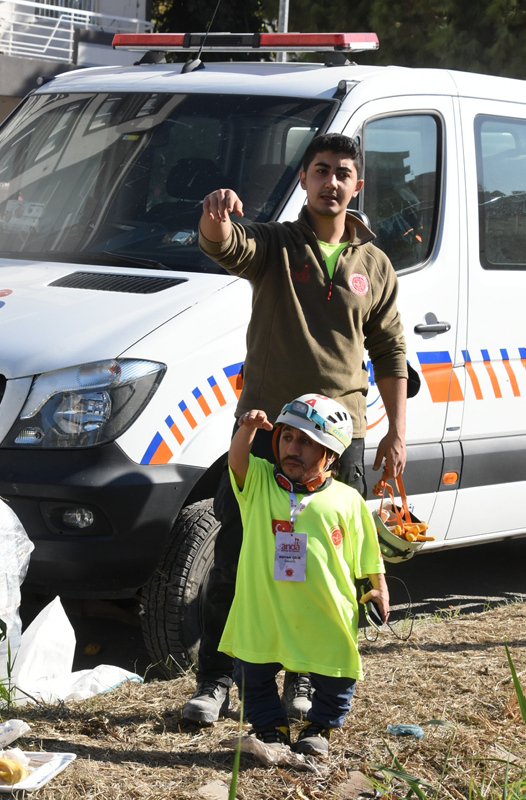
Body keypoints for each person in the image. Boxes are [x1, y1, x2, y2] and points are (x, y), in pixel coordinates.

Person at [182, 133, 407, 725]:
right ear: (304, 181)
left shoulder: (375, 265)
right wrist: (215, 220)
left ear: (357, 185)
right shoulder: (278, 244)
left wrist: (395, 431)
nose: (332, 182)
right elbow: (229, 246)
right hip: (268, 429)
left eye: (343, 173)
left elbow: (390, 352)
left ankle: (303, 680)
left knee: (322, 566)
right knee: (237, 556)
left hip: (341, 439)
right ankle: (215, 682)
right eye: (321, 170)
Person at [219, 394, 389, 757]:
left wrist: (378, 589)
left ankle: (321, 727)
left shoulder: (347, 499)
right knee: (251, 674)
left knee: (337, 674)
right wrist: (247, 429)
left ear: (331, 454)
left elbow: (365, 554)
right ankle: (270, 727)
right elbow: (237, 461)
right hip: (263, 608)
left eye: (308, 442)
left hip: (323, 611)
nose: (293, 448)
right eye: (287, 438)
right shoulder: (261, 482)